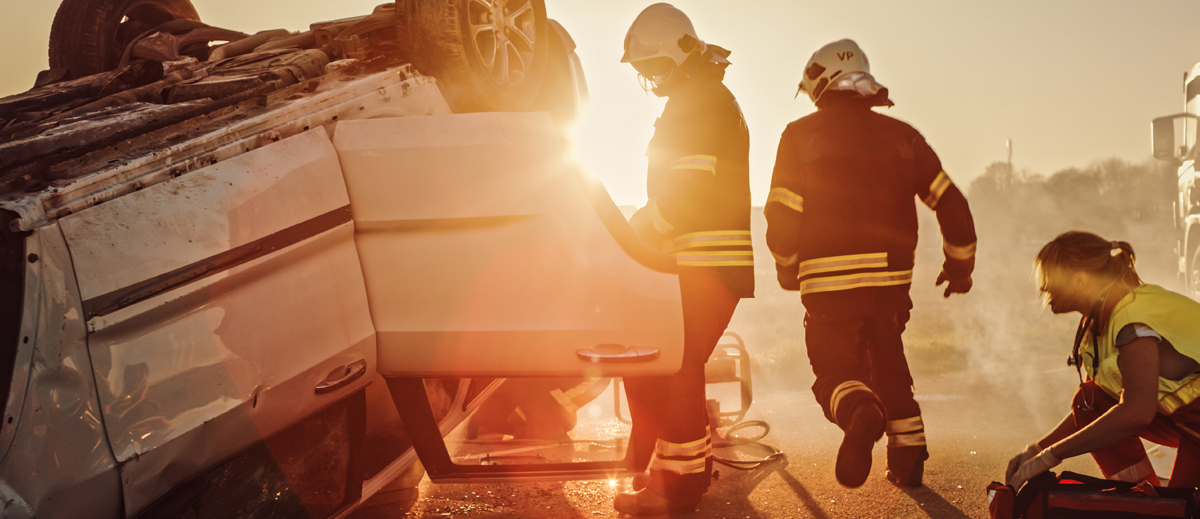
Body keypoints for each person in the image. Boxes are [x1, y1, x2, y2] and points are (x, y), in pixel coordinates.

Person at [765, 39, 977, 489]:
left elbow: (781, 214)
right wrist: (960, 268)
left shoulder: (799, 136)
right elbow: (952, 205)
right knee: (890, 365)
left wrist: (787, 268)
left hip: (826, 285)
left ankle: (860, 413)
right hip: (889, 284)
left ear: (819, 85)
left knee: (836, 373)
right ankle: (908, 458)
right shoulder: (904, 137)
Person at [615, 3, 754, 515]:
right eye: (642, 71)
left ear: (679, 53)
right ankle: (668, 474)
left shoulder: (698, 101)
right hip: (702, 261)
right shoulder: (703, 96)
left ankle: (677, 490)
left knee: (675, 364)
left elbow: (688, 193)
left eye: (653, 66)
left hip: (706, 260)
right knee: (665, 363)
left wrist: (634, 230)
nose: (650, 78)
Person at [1006, 231, 1200, 490]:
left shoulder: (1131, 318)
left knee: (1183, 510)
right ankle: (1142, 499)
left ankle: (1160, 506)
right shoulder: (1104, 316)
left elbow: (1136, 413)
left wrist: (1051, 456)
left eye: (1051, 277)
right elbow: (1093, 407)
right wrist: (1036, 450)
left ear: (1080, 280)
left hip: (1194, 423)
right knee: (1090, 401)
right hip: (1192, 420)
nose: (1044, 287)